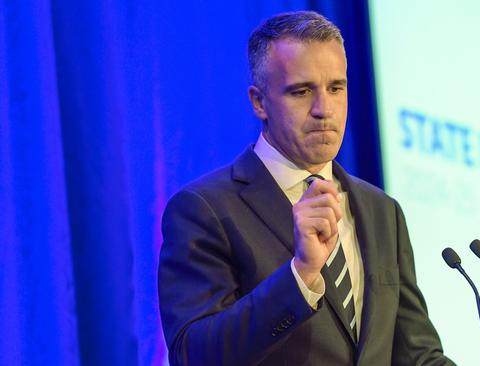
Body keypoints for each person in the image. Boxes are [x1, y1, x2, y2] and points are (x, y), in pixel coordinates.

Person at [158, 11, 455, 366]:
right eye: (301, 91)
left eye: (336, 88)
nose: (324, 109)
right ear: (259, 101)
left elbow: (416, 354)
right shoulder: (205, 209)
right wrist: (301, 274)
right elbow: (194, 355)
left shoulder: (382, 210)